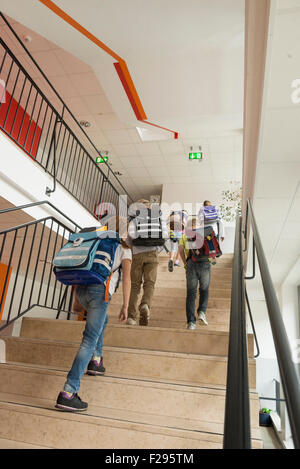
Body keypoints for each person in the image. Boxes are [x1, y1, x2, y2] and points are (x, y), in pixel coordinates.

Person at [55, 216, 132, 412]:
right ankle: (68, 392)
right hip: (100, 292)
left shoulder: (96, 239)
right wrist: (126, 306)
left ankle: (96, 360)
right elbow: (128, 279)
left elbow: (80, 265)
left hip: (82, 288)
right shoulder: (123, 246)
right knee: (88, 340)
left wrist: (76, 300)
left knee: (101, 321)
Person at [126, 199, 169, 326]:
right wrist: (157, 250)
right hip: (152, 254)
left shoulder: (134, 219)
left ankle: (131, 317)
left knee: (135, 286)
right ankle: (145, 305)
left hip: (137, 254)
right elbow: (165, 236)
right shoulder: (159, 219)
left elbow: (130, 237)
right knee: (149, 283)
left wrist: (133, 248)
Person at [178, 217, 211, 330]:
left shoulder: (185, 236)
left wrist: (185, 264)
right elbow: (212, 252)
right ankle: (202, 312)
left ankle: (191, 322)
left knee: (191, 294)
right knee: (204, 289)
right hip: (205, 264)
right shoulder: (204, 235)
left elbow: (181, 250)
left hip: (191, 264)